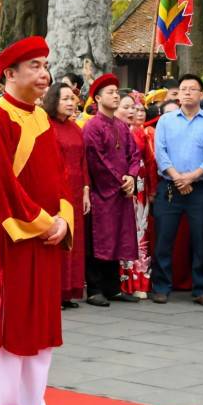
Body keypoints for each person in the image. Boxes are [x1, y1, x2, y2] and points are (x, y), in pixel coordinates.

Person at [0, 37, 73, 405]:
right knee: (7, 322)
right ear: (9, 74)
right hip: (10, 238)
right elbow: (0, 181)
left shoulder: (41, 118)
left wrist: (64, 220)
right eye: (34, 66)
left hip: (45, 236)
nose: (44, 73)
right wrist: (42, 222)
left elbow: (60, 176)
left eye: (45, 65)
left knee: (40, 320)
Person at [151, 74, 203, 305]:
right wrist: (177, 177)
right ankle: (161, 286)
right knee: (164, 238)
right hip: (170, 187)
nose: (187, 92)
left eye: (192, 89)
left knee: (201, 239)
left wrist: (191, 177)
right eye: (183, 89)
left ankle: (201, 288)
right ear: (178, 94)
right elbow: (160, 152)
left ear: (201, 94)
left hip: (200, 188)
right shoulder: (166, 121)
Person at [81, 74, 141, 307]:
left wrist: (131, 176)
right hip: (101, 193)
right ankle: (95, 289)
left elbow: (133, 154)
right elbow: (96, 160)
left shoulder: (122, 126)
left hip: (121, 191)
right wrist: (120, 180)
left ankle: (113, 288)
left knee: (118, 238)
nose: (116, 96)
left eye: (117, 92)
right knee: (100, 240)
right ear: (97, 98)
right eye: (110, 93)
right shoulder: (92, 126)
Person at [44, 82, 88, 308]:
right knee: (57, 237)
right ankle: (53, 291)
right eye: (65, 99)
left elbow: (83, 161)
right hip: (55, 189)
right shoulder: (45, 125)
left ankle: (69, 290)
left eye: (73, 99)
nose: (71, 103)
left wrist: (86, 189)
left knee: (74, 241)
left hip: (76, 190)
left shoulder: (76, 128)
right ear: (53, 101)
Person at [120, 91, 154, 298]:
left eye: (136, 108)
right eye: (127, 107)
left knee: (140, 232)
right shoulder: (113, 129)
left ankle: (140, 279)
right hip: (122, 186)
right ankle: (123, 280)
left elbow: (149, 162)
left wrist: (153, 189)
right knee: (122, 231)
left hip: (140, 188)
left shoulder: (142, 133)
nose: (133, 111)